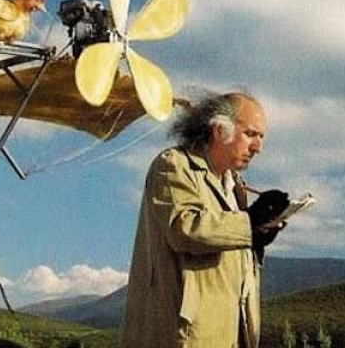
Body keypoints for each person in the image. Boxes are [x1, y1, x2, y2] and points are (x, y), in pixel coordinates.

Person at [121, 92, 291, 348]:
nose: (258, 147)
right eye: (251, 134)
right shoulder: (174, 166)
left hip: (227, 335)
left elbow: (227, 252)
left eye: (261, 137)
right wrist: (250, 223)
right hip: (184, 337)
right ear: (219, 130)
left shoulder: (236, 186)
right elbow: (184, 229)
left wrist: (259, 236)